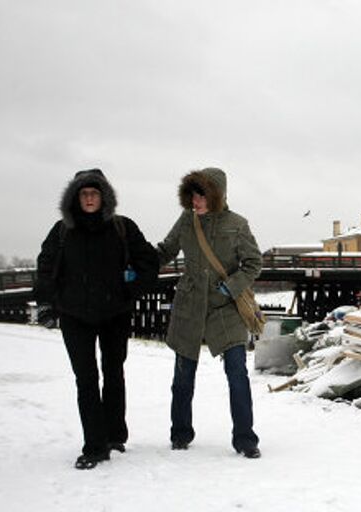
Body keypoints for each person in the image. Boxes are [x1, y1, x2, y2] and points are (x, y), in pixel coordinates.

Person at [34, 169, 159, 470]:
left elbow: (149, 263)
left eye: (94, 193)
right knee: (86, 380)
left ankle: (115, 434)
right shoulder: (62, 231)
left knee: (114, 374)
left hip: (114, 314)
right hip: (75, 315)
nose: (89, 199)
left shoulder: (122, 228)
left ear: (104, 197)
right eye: (84, 194)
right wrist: (46, 305)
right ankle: (95, 446)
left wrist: (130, 289)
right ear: (75, 198)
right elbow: (46, 267)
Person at [157, 167, 262, 458]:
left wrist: (230, 288)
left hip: (225, 308)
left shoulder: (237, 224)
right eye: (193, 193)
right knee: (182, 377)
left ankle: (245, 439)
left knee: (237, 373)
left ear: (217, 194)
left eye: (202, 194)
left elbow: (254, 263)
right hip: (190, 306)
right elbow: (165, 251)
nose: (196, 200)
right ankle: (180, 434)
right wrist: (134, 259)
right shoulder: (186, 221)